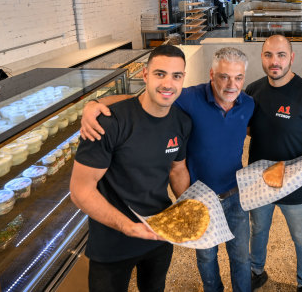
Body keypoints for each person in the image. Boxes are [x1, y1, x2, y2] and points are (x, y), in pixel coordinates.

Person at [80, 47, 254, 292]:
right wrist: (95, 104)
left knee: (240, 256)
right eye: (224, 76)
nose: (231, 84)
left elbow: (179, 169)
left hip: (215, 206)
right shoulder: (187, 98)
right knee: (206, 257)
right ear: (211, 74)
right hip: (187, 204)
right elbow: (145, 98)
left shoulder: (243, 105)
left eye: (238, 78)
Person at [69, 45, 192, 292]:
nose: (168, 83)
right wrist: (128, 226)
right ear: (145, 76)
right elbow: (80, 190)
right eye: (160, 74)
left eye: (176, 76)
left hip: (158, 236)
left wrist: (189, 209)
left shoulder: (181, 122)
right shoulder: (108, 122)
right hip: (112, 243)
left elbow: (177, 170)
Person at [245, 35, 302, 292]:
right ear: (261, 57)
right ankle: (256, 271)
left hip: (297, 186)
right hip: (260, 182)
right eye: (268, 55)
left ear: (291, 58)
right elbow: (249, 129)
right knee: (258, 230)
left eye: (281, 55)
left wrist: (290, 172)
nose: (274, 61)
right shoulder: (253, 91)